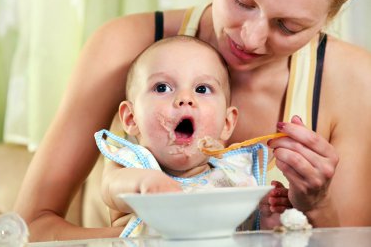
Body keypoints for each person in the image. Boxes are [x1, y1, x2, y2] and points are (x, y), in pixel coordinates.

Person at [15, 0, 371, 242]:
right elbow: (27, 229)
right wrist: (145, 240)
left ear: (328, 20)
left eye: (288, 26)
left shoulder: (355, 79)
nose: (251, 38)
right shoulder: (124, 45)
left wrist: (317, 205)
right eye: (243, 1)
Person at [94, 35, 281, 237]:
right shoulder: (133, 165)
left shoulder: (234, 177)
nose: (185, 98)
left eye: (202, 89)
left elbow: (249, 234)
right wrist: (144, 183)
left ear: (227, 123)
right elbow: (112, 187)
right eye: (162, 88)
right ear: (131, 118)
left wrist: (268, 217)